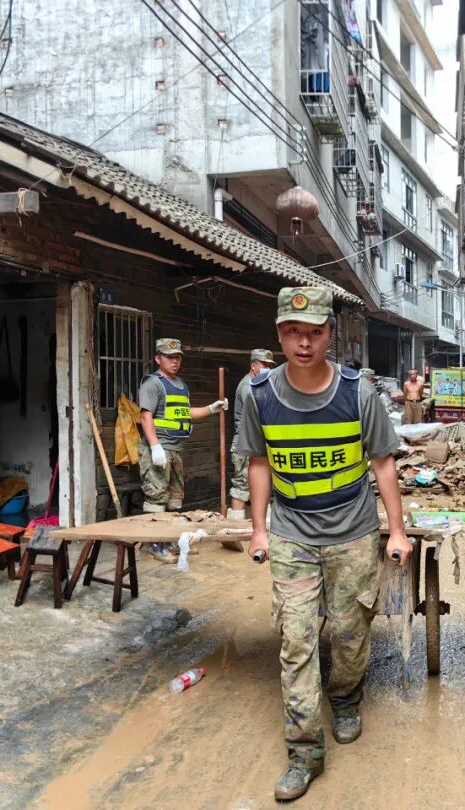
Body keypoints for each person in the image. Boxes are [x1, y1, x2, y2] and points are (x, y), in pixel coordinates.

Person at [240, 287, 411, 802]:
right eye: (294, 332)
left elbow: (383, 463)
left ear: (329, 335)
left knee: (349, 630)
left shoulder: (359, 393)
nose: (304, 342)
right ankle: (304, 750)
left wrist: (396, 530)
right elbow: (259, 462)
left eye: (314, 332)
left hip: (353, 533)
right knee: (295, 640)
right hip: (292, 533)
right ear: (279, 336)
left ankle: (346, 698)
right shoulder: (259, 395)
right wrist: (259, 529)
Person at [138, 338, 228, 563]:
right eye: (169, 357)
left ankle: (168, 540)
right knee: (156, 497)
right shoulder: (153, 383)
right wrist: (154, 446)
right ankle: (154, 544)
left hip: (176, 450)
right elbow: (145, 417)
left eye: (177, 357)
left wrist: (210, 409)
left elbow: (185, 413)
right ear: (158, 359)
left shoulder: (180, 384)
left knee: (175, 499)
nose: (174, 361)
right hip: (159, 449)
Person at [228, 349, 277, 521]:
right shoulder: (248, 385)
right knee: (242, 485)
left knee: (264, 483)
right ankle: (235, 527)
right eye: (264, 365)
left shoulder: (260, 384)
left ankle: (267, 525)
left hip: (259, 442)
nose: (268, 369)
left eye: (270, 366)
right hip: (245, 442)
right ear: (253, 366)